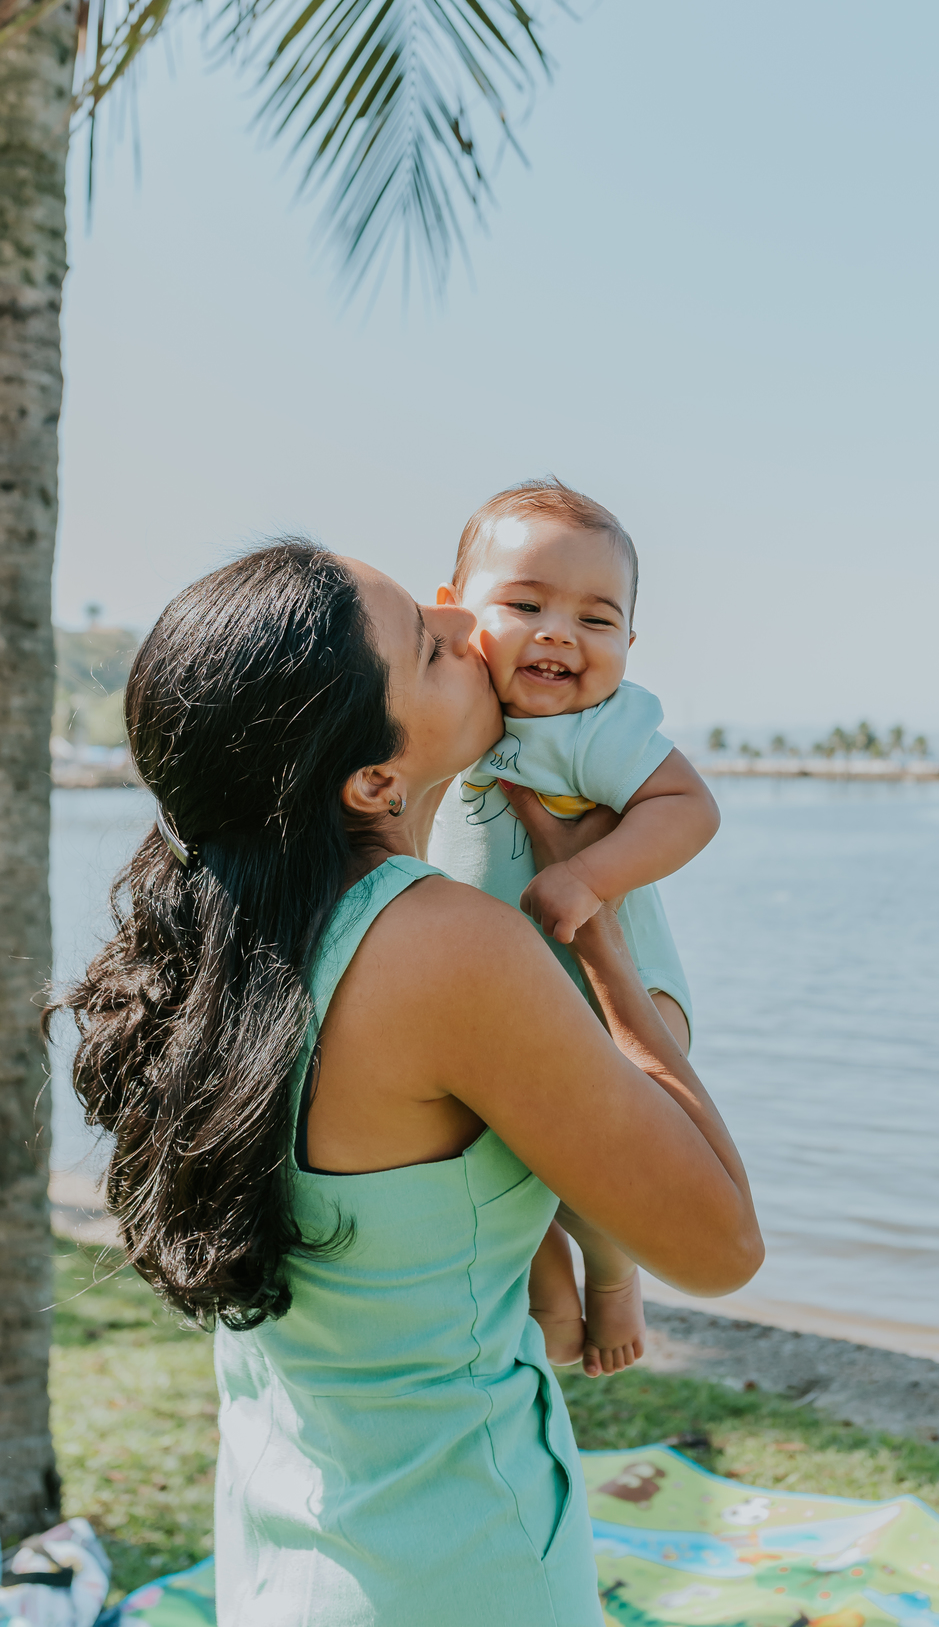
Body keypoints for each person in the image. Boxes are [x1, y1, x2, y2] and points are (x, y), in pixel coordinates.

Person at [60, 540, 762, 1627]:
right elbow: (720, 1247)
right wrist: (605, 940)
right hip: (463, 1574)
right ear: (374, 781)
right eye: (433, 646)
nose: (468, 625)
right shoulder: (448, 949)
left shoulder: (219, 954)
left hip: (283, 1553)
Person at [431, 478, 720, 1377]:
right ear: (452, 614)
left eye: (597, 620)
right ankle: (552, 1289)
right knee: (491, 1160)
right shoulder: (444, 709)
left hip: (611, 1001)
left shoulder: (598, 730)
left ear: (628, 645)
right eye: (525, 605)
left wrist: (589, 876)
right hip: (494, 1007)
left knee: (600, 1171)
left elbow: (689, 807)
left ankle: (614, 1271)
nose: (559, 634)